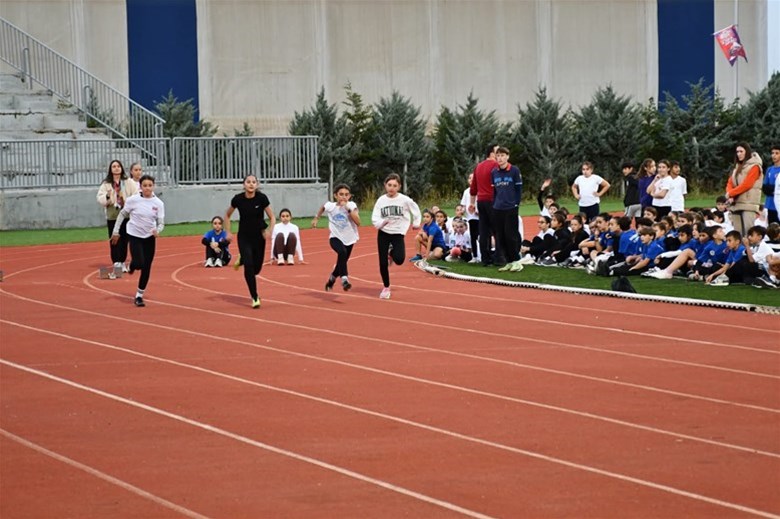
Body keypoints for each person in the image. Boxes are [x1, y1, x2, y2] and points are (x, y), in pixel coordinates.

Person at [110, 174, 164, 307]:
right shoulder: (133, 200)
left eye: (150, 185)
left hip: (149, 237)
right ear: (140, 186)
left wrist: (158, 230)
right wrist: (116, 231)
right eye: (144, 185)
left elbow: (161, 222)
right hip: (134, 235)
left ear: (153, 186)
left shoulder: (158, 203)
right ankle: (131, 266)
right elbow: (122, 214)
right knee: (139, 263)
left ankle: (139, 295)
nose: (147, 188)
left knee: (147, 267)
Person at [225, 174, 276, 308]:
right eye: (248, 182)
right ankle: (254, 297)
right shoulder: (238, 199)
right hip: (244, 237)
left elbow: (272, 217)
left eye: (254, 182)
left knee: (256, 269)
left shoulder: (262, 198)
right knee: (249, 266)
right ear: (244, 184)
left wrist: (269, 230)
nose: (251, 184)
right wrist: (228, 231)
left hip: (259, 237)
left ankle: (242, 259)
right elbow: (227, 215)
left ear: (257, 185)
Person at [371, 173, 422, 299]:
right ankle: (386, 287)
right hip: (383, 232)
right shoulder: (381, 200)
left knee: (399, 259)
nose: (391, 188)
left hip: (398, 232)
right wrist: (381, 223)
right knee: (383, 263)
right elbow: (375, 217)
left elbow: (415, 209)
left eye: (394, 185)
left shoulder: (404, 200)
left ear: (399, 187)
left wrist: (416, 223)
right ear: (385, 186)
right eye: (389, 185)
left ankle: (391, 253)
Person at [312, 183, 360, 292]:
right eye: (341, 194)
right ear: (335, 195)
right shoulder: (331, 206)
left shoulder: (352, 205)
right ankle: (344, 279)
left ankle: (332, 279)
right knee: (342, 252)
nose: (344, 197)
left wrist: (347, 207)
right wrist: (316, 218)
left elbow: (358, 222)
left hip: (350, 239)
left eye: (346, 194)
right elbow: (323, 207)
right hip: (335, 237)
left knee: (341, 263)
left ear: (350, 196)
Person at [97, 159, 138, 273]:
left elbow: (135, 195)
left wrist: (127, 201)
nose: (116, 168)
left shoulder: (128, 182)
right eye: (114, 166)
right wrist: (108, 197)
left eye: (118, 166)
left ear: (121, 168)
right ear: (110, 169)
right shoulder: (106, 183)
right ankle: (116, 262)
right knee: (114, 239)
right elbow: (100, 197)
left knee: (125, 239)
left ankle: (122, 262)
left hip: (125, 214)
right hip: (113, 215)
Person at [491, 146, 523, 271]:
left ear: (507, 157)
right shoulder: (494, 172)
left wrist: (516, 204)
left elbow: (518, 189)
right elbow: (494, 191)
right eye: (498, 156)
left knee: (511, 235)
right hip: (498, 208)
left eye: (502, 155)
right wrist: (494, 204)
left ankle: (516, 260)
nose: (500, 158)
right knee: (501, 236)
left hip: (511, 208)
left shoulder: (514, 171)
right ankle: (508, 261)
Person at [468, 144, 498, 266]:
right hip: (493, 200)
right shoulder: (496, 166)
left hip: (481, 201)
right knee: (497, 229)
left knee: (484, 230)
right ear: (492, 153)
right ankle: (499, 255)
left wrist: (471, 203)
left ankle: (485, 259)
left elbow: (473, 187)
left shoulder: (478, 167)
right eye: (498, 152)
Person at [726, 142, 764, 235]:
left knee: (748, 232)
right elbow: (730, 182)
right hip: (736, 204)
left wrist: (731, 194)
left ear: (747, 152)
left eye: (741, 151)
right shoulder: (737, 167)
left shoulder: (755, 166)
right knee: (738, 233)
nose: (739, 154)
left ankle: (749, 249)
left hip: (748, 204)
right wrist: (730, 194)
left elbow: (747, 184)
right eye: (737, 152)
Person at [460, 173, 480, 262]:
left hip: (480, 217)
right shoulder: (466, 191)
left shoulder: (480, 190)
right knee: (473, 237)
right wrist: (462, 211)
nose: (471, 180)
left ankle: (483, 255)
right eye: (470, 178)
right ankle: (475, 256)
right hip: (471, 218)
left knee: (481, 237)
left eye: (473, 178)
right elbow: (463, 204)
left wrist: (478, 211)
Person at [762, 145, 780, 224]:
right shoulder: (769, 169)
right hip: (770, 205)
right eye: (772, 153)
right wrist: (775, 190)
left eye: (777, 153)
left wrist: (773, 189)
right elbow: (765, 188)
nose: (774, 155)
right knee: (772, 229)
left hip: (778, 204)